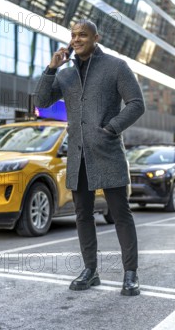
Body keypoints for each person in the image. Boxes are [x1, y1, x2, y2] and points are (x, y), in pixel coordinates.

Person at [35, 19, 145, 296]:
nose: (76, 39)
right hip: (78, 155)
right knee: (83, 215)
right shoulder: (66, 73)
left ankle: (130, 274)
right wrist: (52, 67)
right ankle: (90, 270)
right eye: (73, 35)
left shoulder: (116, 66)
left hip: (108, 151)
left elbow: (136, 104)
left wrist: (111, 128)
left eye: (82, 35)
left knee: (120, 214)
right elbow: (41, 101)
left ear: (96, 37)